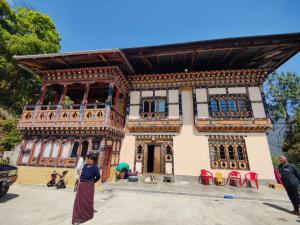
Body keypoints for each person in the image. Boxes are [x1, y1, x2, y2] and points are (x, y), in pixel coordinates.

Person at [72, 153, 100, 224]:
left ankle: (86, 215)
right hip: (82, 185)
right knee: (79, 200)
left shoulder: (95, 168)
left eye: (90, 159)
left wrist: (92, 182)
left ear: (93, 160)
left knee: (87, 200)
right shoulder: (85, 166)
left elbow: (98, 176)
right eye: (88, 159)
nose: (88, 160)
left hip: (89, 185)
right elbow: (82, 174)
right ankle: (78, 216)